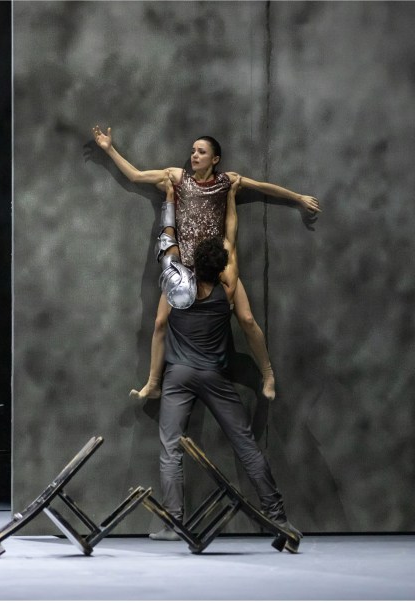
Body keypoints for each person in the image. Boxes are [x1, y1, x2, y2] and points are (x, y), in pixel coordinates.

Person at [91, 125, 320, 402]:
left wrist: (298, 199)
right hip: (184, 264)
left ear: (215, 159)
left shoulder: (227, 181)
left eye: (202, 152)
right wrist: (109, 149)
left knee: (247, 319)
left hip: (217, 262)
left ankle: (268, 373)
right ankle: (153, 383)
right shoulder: (177, 177)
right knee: (160, 321)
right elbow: (137, 175)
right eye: (193, 151)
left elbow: (262, 187)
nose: (194, 155)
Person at [151, 229, 301, 548]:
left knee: (170, 447)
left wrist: (153, 381)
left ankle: (173, 520)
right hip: (213, 375)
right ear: (220, 268)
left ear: (193, 262)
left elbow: (160, 326)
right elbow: (248, 322)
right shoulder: (229, 290)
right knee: (245, 444)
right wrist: (267, 371)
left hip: (178, 374)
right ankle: (277, 517)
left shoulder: (175, 286)